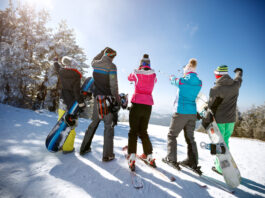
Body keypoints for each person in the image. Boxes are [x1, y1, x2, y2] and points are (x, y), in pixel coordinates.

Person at [80, 47, 119, 162]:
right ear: (112, 56)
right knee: (109, 126)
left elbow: (93, 60)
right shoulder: (112, 67)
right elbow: (113, 85)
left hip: (97, 99)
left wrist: (101, 53)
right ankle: (107, 155)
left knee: (93, 123)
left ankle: (84, 148)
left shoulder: (96, 64)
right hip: (107, 100)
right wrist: (116, 100)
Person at [162, 58, 202, 172]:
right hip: (192, 113)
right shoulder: (199, 82)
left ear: (188, 68)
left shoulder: (183, 80)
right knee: (190, 138)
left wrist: (171, 78)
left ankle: (171, 159)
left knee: (172, 135)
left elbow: (175, 81)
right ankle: (192, 162)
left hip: (181, 112)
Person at [202, 65, 243, 174]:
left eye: (215, 73)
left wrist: (206, 116)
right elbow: (239, 78)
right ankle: (223, 163)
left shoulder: (216, 88)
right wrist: (239, 72)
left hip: (219, 121)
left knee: (219, 144)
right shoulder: (235, 85)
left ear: (218, 74)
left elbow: (212, 106)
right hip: (231, 120)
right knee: (225, 141)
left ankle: (221, 168)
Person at [127, 54, 157, 170]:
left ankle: (132, 156)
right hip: (148, 105)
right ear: (149, 64)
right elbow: (155, 81)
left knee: (133, 131)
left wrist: (137, 70)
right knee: (143, 131)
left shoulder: (136, 73)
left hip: (137, 103)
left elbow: (129, 78)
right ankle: (148, 156)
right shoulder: (153, 75)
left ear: (141, 64)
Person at [57, 56, 86, 153]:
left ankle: (60, 145)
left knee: (61, 125)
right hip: (72, 105)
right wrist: (81, 104)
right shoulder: (76, 75)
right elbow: (76, 92)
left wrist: (55, 62)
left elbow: (57, 67)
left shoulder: (61, 72)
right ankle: (68, 148)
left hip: (62, 102)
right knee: (70, 126)